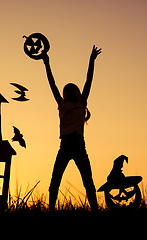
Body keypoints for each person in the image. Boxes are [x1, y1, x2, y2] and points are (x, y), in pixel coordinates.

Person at [43, 46, 102, 211]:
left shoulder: (81, 102)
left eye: (72, 89)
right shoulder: (61, 104)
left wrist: (91, 61)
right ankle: (51, 209)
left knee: (87, 180)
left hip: (77, 143)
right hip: (67, 144)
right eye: (68, 90)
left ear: (75, 92)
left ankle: (95, 209)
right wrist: (46, 64)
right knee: (56, 180)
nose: (70, 91)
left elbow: (88, 80)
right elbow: (52, 83)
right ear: (66, 93)